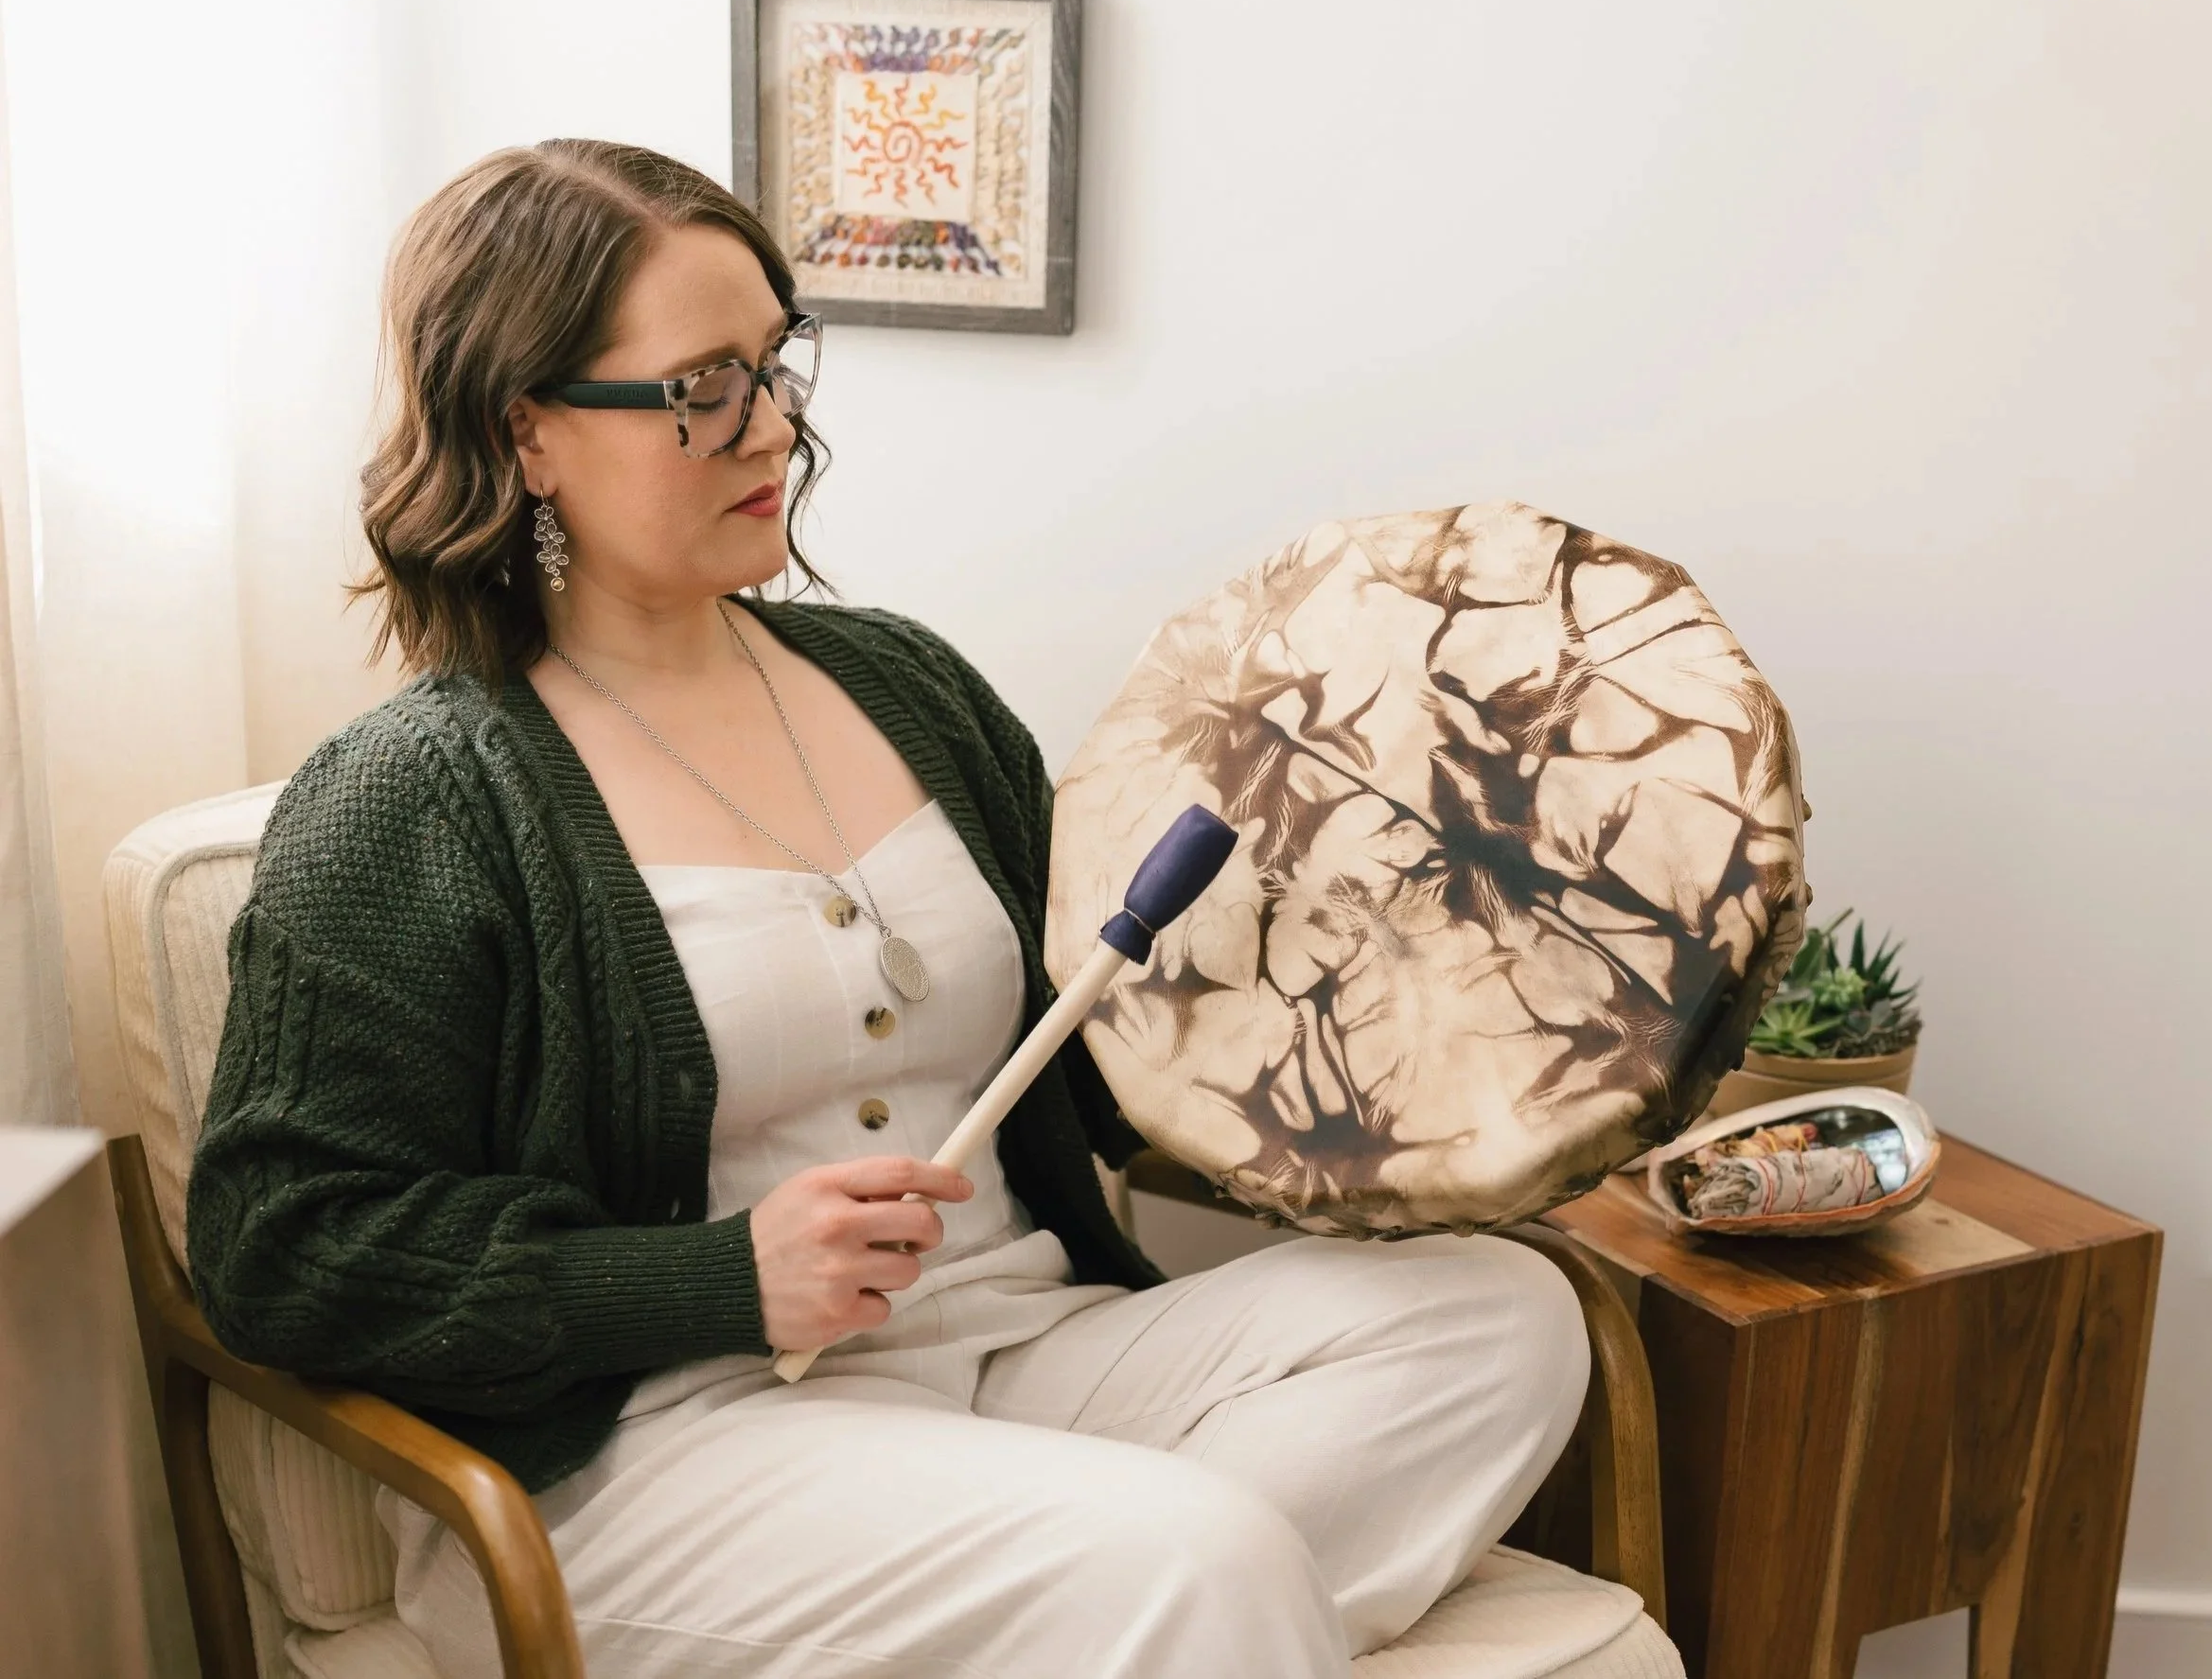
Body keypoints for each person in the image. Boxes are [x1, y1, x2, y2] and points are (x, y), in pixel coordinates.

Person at [186, 138, 1589, 1678]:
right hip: (667, 1443)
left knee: (1497, 1314)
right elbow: (281, 1248)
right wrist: (718, 1275)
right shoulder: (410, 797)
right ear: (525, 430)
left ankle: (1133, 1617)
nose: (771, 424)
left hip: (1019, 1356)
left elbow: (1100, 1061)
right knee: (1199, 1550)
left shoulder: (903, 682)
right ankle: (1160, 1598)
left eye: (775, 364)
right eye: (700, 388)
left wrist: (1340, 968)